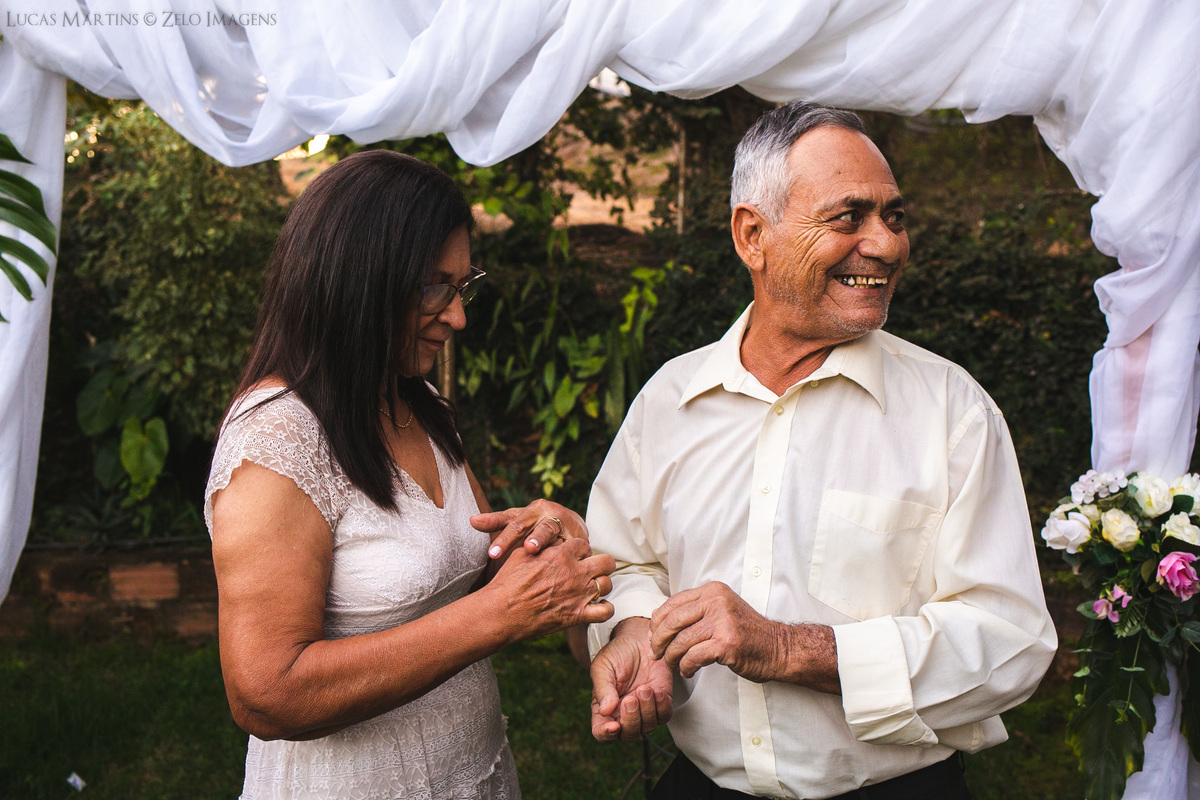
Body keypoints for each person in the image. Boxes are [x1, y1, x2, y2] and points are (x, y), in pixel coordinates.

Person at [586, 102, 1057, 799]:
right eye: (849, 217)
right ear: (753, 235)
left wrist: (787, 648)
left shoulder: (951, 410)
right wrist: (634, 630)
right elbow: (623, 561)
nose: (886, 245)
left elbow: (1009, 640)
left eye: (894, 216)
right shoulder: (669, 400)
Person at [205, 149, 615, 800]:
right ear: (359, 279)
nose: (457, 315)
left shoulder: (418, 404)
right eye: (434, 288)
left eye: (462, 286)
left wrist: (540, 544)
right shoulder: (278, 440)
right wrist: (497, 615)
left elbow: (470, 577)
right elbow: (267, 694)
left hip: (475, 773)